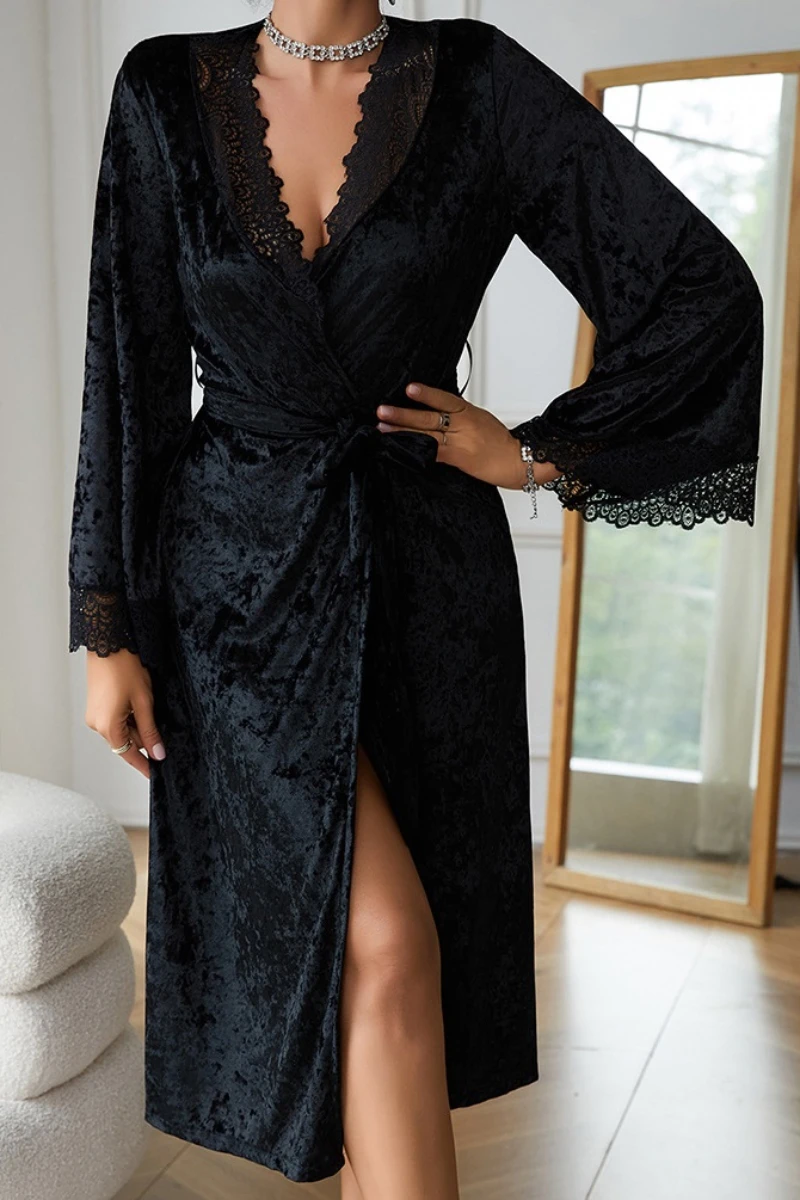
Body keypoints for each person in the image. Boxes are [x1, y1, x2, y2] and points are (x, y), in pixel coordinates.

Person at [67, 1, 763, 1196]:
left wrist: (535, 455)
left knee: (385, 975)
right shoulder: (161, 92)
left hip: (430, 587)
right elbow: (124, 370)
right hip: (235, 595)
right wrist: (105, 625)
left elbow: (702, 290)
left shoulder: (476, 81)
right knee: (384, 941)